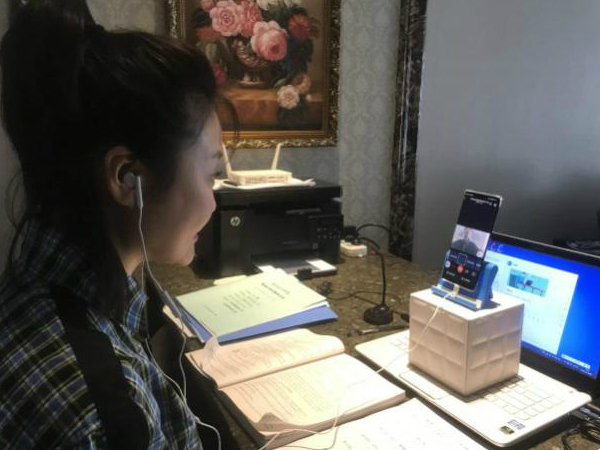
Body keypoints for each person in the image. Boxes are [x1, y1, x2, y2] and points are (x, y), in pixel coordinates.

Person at [0, 1, 233, 448]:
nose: (213, 200)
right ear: (128, 177)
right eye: (210, 174)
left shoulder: (51, 283)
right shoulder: (98, 414)